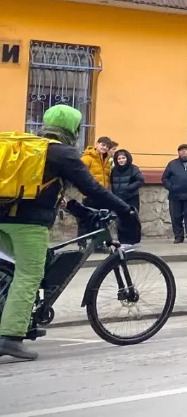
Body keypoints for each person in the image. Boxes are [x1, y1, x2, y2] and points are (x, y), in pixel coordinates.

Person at [0, 106, 136, 361]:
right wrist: (124, 208)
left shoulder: (28, 148)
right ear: (72, 129)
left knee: (14, 269)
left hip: (2, 217)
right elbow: (92, 187)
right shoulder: (62, 152)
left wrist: (74, 207)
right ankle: (11, 337)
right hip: (28, 224)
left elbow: (46, 188)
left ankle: (21, 316)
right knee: (29, 274)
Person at [161, 144, 187, 244]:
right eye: (181, 150)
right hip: (175, 195)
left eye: (186, 150)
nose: (184, 152)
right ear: (178, 152)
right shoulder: (172, 164)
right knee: (176, 217)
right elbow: (164, 178)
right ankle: (178, 236)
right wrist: (171, 187)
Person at [110, 149, 145, 245]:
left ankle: (132, 242)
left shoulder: (133, 169)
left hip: (131, 198)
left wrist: (128, 188)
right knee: (120, 221)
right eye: (119, 158)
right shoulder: (114, 170)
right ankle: (122, 241)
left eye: (123, 158)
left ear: (127, 158)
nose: (121, 160)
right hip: (118, 199)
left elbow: (140, 180)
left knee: (132, 220)